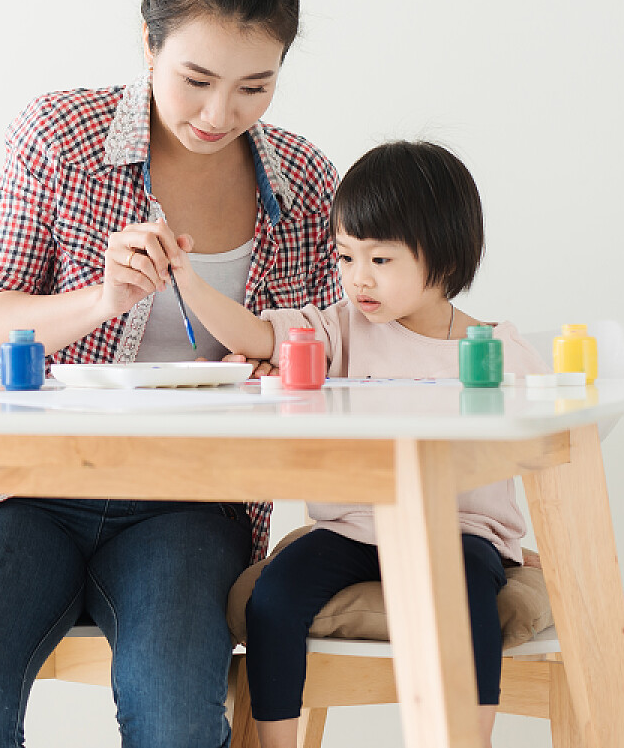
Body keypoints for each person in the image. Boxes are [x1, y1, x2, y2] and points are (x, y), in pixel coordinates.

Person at [0, 0, 342, 748]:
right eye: (195, 79)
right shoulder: (59, 136)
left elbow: (317, 360)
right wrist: (100, 299)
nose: (220, 114)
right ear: (147, 45)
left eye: (254, 85)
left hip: (188, 501)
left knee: (181, 720)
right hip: (21, 486)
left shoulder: (302, 185)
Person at [175, 140, 547, 748]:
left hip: (460, 530)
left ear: (446, 260)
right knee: (272, 601)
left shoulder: (495, 350)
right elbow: (258, 333)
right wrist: (187, 282)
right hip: (350, 528)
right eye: (346, 258)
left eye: (380, 260)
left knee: (465, 598)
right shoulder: (337, 328)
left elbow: (544, 436)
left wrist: (520, 548)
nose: (357, 279)